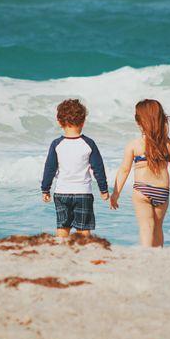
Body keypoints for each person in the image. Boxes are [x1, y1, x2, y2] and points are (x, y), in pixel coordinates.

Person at [110, 99, 170, 247]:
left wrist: (116, 193)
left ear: (139, 122)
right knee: (158, 228)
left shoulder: (134, 144)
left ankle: (147, 255)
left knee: (146, 226)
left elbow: (124, 170)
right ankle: (158, 255)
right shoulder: (169, 144)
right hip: (162, 191)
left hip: (142, 190)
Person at [41, 99, 109, 237]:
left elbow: (50, 169)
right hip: (83, 193)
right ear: (83, 121)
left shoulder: (56, 144)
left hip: (61, 193)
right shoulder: (88, 143)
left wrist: (45, 189)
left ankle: (61, 252)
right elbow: (98, 168)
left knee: (62, 227)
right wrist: (104, 189)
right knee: (83, 229)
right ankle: (83, 253)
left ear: (59, 122)